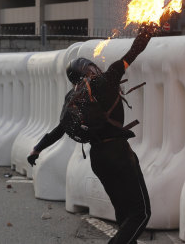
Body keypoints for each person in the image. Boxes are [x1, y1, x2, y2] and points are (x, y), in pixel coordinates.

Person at [29, 25, 155, 244]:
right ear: (89, 69)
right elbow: (134, 51)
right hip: (119, 155)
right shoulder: (108, 79)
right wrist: (149, 29)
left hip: (99, 158)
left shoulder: (75, 98)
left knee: (124, 214)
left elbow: (59, 131)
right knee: (140, 214)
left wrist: (36, 150)